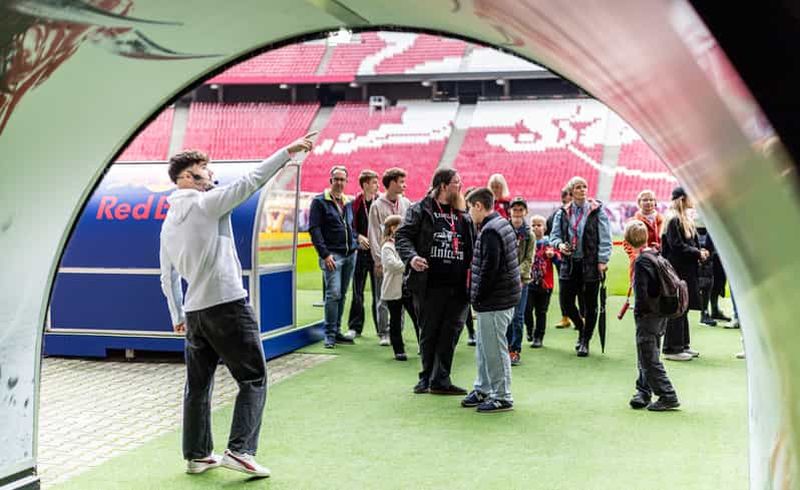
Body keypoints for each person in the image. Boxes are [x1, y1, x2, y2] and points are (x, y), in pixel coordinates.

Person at [159, 133, 315, 477]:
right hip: (227, 304)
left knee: (197, 386)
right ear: (188, 177)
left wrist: (177, 315)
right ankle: (241, 449)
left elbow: (166, 276)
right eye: (205, 169)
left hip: (195, 312)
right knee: (254, 377)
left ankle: (198, 455)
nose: (211, 174)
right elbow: (251, 181)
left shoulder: (168, 224)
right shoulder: (206, 203)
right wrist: (287, 152)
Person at [396, 168, 474, 395]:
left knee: (451, 333)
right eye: (456, 182)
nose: (460, 186)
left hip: (458, 286)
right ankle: (426, 378)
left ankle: (441, 379)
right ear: (443, 185)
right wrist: (412, 258)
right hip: (428, 284)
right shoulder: (420, 210)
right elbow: (402, 236)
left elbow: (472, 246)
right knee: (429, 332)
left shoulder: (463, 214)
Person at [461, 188, 521, 413]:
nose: (469, 213)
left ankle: (502, 396)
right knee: (485, 348)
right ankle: (484, 388)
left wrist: (476, 296)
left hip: (495, 301)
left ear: (478, 206)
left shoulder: (490, 231)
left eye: (470, 208)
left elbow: (489, 270)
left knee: (494, 349)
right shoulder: (500, 224)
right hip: (499, 298)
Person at [549, 176, 612, 357]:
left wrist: (602, 260)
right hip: (569, 263)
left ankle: (585, 340)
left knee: (591, 305)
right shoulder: (562, 212)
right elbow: (554, 236)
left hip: (590, 263)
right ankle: (582, 327)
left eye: (584, 186)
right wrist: (560, 245)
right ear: (571, 191)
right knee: (566, 303)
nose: (582, 189)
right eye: (578, 187)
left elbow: (605, 237)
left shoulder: (597, 211)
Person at [624, 221, 681, 412]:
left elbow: (641, 293)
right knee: (648, 353)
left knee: (648, 357)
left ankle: (667, 395)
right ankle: (643, 391)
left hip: (648, 315)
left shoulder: (641, 261)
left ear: (627, 240)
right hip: (660, 312)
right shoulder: (655, 254)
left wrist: (638, 311)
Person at [309, 166, 359, 349]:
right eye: (336, 179)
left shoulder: (347, 202)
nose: (339, 182)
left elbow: (351, 227)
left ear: (346, 182)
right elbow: (314, 230)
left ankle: (336, 331)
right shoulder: (319, 202)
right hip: (332, 255)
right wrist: (325, 254)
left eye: (342, 179)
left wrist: (355, 242)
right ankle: (329, 334)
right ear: (331, 181)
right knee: (334, 294)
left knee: (342, 294)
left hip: (350, 255)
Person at [661, 186, 709, 361]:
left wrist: (700, 252)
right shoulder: (674, 219)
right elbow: (677, 246)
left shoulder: (682, 218)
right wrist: (697, 253)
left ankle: (682, 345)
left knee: (684, 307)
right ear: (682, 199)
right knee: (678, 308)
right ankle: (671, 349)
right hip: (678, 270)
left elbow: (686, 245)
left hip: (685, 270)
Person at [368, 168, 412, 346]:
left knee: (401, 294)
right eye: (401, 182)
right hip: (386, 257)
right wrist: (378, 260)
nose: (404, 185)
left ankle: (397, 331)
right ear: (392, 183)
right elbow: (373, 234)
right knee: (383, 296)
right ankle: (383, 332)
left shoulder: (406, 203)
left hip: (402, 257)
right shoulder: (377, 206)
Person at [347, 170, 380, 338]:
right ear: (365, 184)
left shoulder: (381, 203)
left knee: (379, 294)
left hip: (377, 255)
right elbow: (348, 227)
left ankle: (382, 329)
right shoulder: (354, 204)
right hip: (359, 255)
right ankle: (355, 327)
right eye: (374, 182)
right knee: (357, 292)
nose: (377, 186)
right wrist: (358, 237)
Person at [505, 196, 534, 366]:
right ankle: (506, 346)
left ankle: (515, 349)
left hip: (522, 281)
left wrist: (516, 274)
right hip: (505, 281)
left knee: (518, 316)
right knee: (506, 315)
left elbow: (529, 259)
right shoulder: (503, 231)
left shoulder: (529, 235)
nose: (517, 213)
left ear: (525, 212)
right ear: (509, 211)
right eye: (514, 209)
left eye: (520, 210)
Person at [525, 214, 559, 348]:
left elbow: (559, 261)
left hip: (545, 284)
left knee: (541, 312)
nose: (535, 228)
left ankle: (538, 337)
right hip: (529, 282)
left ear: (545, 228)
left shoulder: (549, 243)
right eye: (533, 225)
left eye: (539, 225)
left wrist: (553, 255)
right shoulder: (527, 241)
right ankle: (529, 328)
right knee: (527, 309)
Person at [380, 214, 408, 361]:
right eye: (399, 225)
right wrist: (409, 264)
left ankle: (423, 347)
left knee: (417, 318)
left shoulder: (402, 243)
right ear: (392, 228)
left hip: (406, 287)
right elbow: (392, 265)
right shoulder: (387, 246)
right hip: (394, 287)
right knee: (395, 319)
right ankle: (399, 350)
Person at [548, 186, 574, 329]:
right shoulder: (556, 215)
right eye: (570, 195)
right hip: (561, 258)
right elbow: (548, 235)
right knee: (564, 289)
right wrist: (554, 249)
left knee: (580, 288)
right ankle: (565, 317)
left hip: (578, 257)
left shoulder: (581, 213)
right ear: (564, 198)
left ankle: (582, 316)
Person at [695, 213, 718, 327]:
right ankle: (704, 313)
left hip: (710, 255)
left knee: (712, 283)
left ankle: (710, 311)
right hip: (701, 256)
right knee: (704, 284)